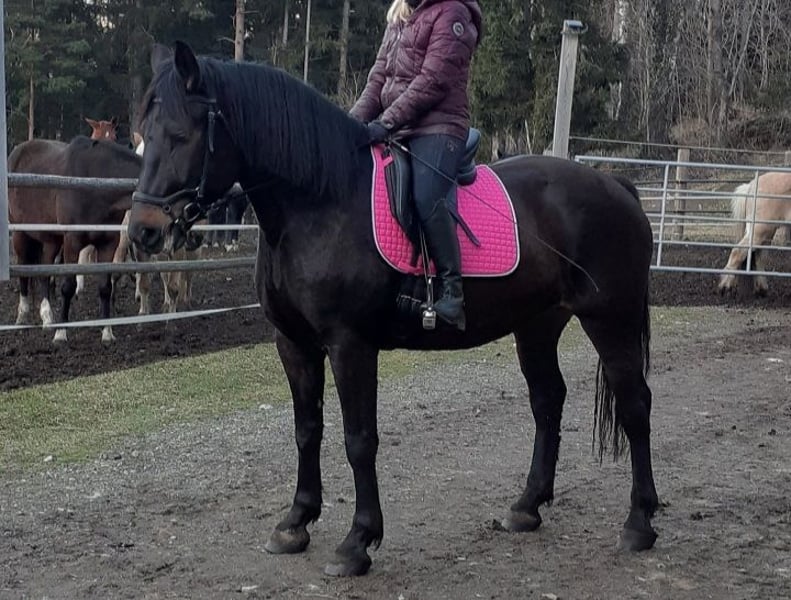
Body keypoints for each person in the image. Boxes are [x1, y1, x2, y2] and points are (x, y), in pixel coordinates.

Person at [351, 0, 483, 331]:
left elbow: (433, 81)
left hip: (439, 126)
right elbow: (378, 77)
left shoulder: (453, 13)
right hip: (401, 125)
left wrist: (386, 122)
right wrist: (349, 127)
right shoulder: (401, 14)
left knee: (426, 196)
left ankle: (452, 290)